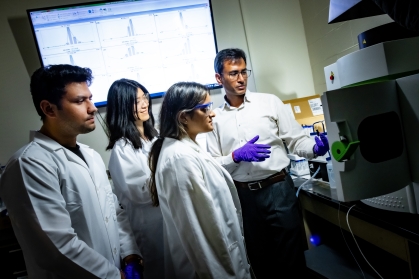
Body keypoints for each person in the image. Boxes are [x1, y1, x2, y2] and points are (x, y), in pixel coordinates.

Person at [0, 65, 142, 279]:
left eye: (90, 98)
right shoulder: (29, 164)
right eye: (79, 101)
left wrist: (130, 254)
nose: (92, 108)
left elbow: (113, 212)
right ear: (49, 109)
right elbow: (56, 249)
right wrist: (114, 276)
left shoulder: (91, 156)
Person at [206, 48, 330, 278]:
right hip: (243, 197)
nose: (241, 78)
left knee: (291, 259)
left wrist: (315, 148)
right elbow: (212, 164)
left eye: (244, 71)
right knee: (259, 260)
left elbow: (295, 140)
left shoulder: (269, 103)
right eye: (233, 73)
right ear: (218, 78)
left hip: (278, 189)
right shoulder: (214, 118)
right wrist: (235, 156)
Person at [148, 82, 252, 279]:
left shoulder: (187, 150)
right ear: (184, 117)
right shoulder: (180, 159)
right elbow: (199, 235)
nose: (212, 114)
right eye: (205, 109)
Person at [106, 78, 164, 279]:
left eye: (145, 97)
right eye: (137, 101)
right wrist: (171, 176)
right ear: (122, 107)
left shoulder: (155, 137)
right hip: (150, 231)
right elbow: (141, 194)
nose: (145, 103)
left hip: (167, 223)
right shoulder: (122, 149)